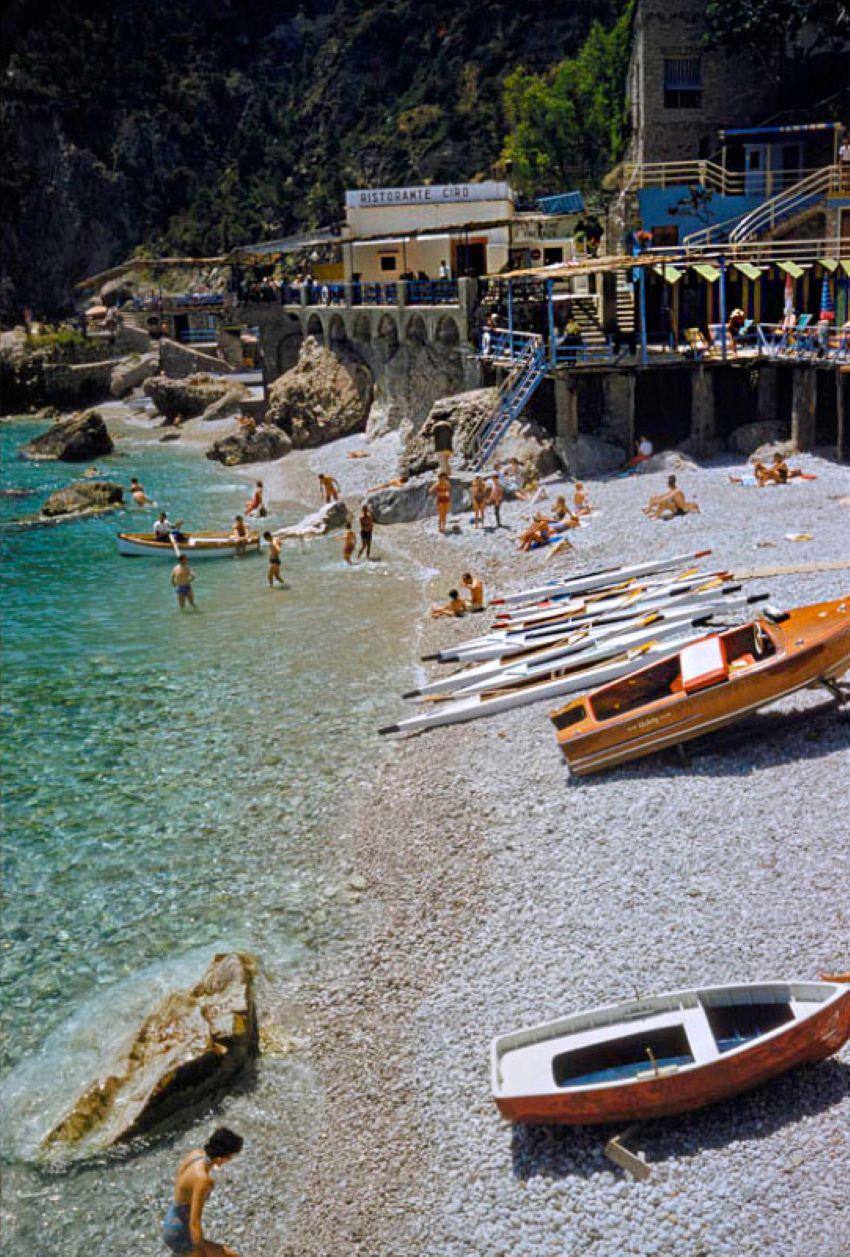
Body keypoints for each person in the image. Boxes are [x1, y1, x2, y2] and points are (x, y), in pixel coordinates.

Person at [161, 1127, 243, 1255]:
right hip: (181, 1233)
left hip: (171, 1222)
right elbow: (194, 1223)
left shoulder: (195, 1155)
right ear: (221, 1158)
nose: (229, 1161)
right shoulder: (203, 1180)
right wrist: (201, 1253)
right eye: (230, 1157)